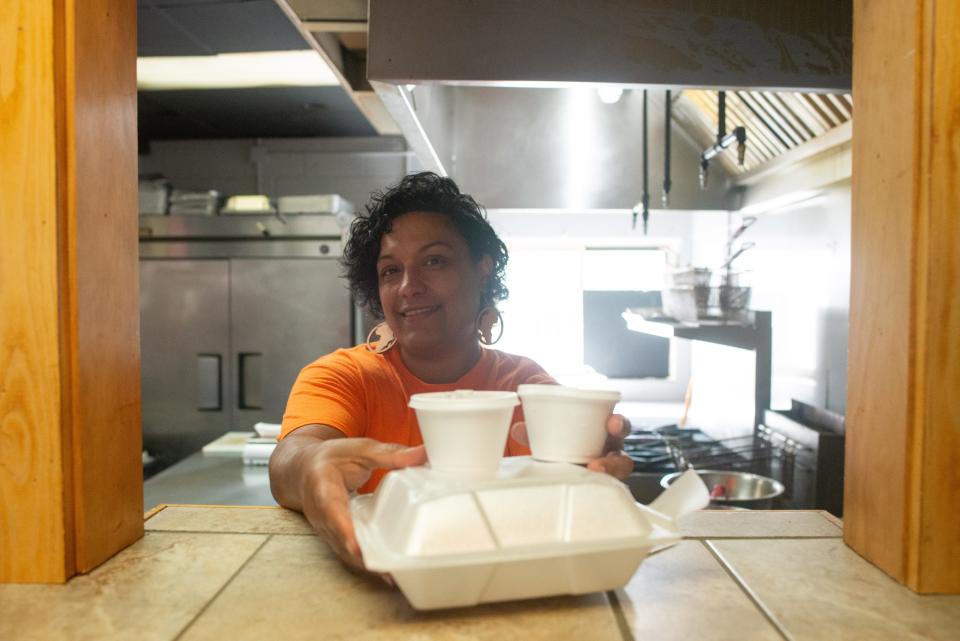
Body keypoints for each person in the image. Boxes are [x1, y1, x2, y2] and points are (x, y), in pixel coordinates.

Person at [269, 172, 634, 570]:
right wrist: (311, 470)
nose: (408, 285)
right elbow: (292, 457)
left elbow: (568, 493)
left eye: (434, 261)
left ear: (481, 269)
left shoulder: (523, 385)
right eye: (391, 270)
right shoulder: (344, 375)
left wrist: (592, 465)